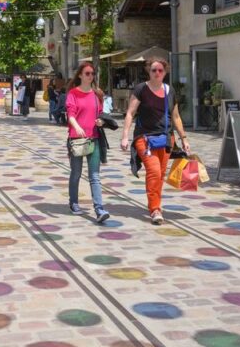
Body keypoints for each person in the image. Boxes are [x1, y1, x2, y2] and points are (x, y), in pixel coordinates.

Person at [120, 57, 190, 225]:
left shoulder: (169, 90)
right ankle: (155, 209)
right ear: (148, 71)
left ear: (165, 72)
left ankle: (155, 203)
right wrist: (125, 136)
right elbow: (130, 113)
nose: (157, 73)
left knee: (160, 175)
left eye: (160, 70)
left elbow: (176, 116)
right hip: (144, 138)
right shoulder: (141, 89)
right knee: (154, 171)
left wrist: (184, 138)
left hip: (166, 139)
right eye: (154, 70)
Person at [66, 62, 110, 224]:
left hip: (94, 138)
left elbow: (101, 115)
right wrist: (76, 126)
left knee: (95, 176)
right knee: (76, 173)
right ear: (80, 75)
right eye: (87, 73)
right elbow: (70, 114)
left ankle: (99, 209)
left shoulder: (97, 94)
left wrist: (101, 121)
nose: (91, 76)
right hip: (77, 139)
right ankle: (74, 202)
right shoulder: (73, 93)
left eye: (92, 73)